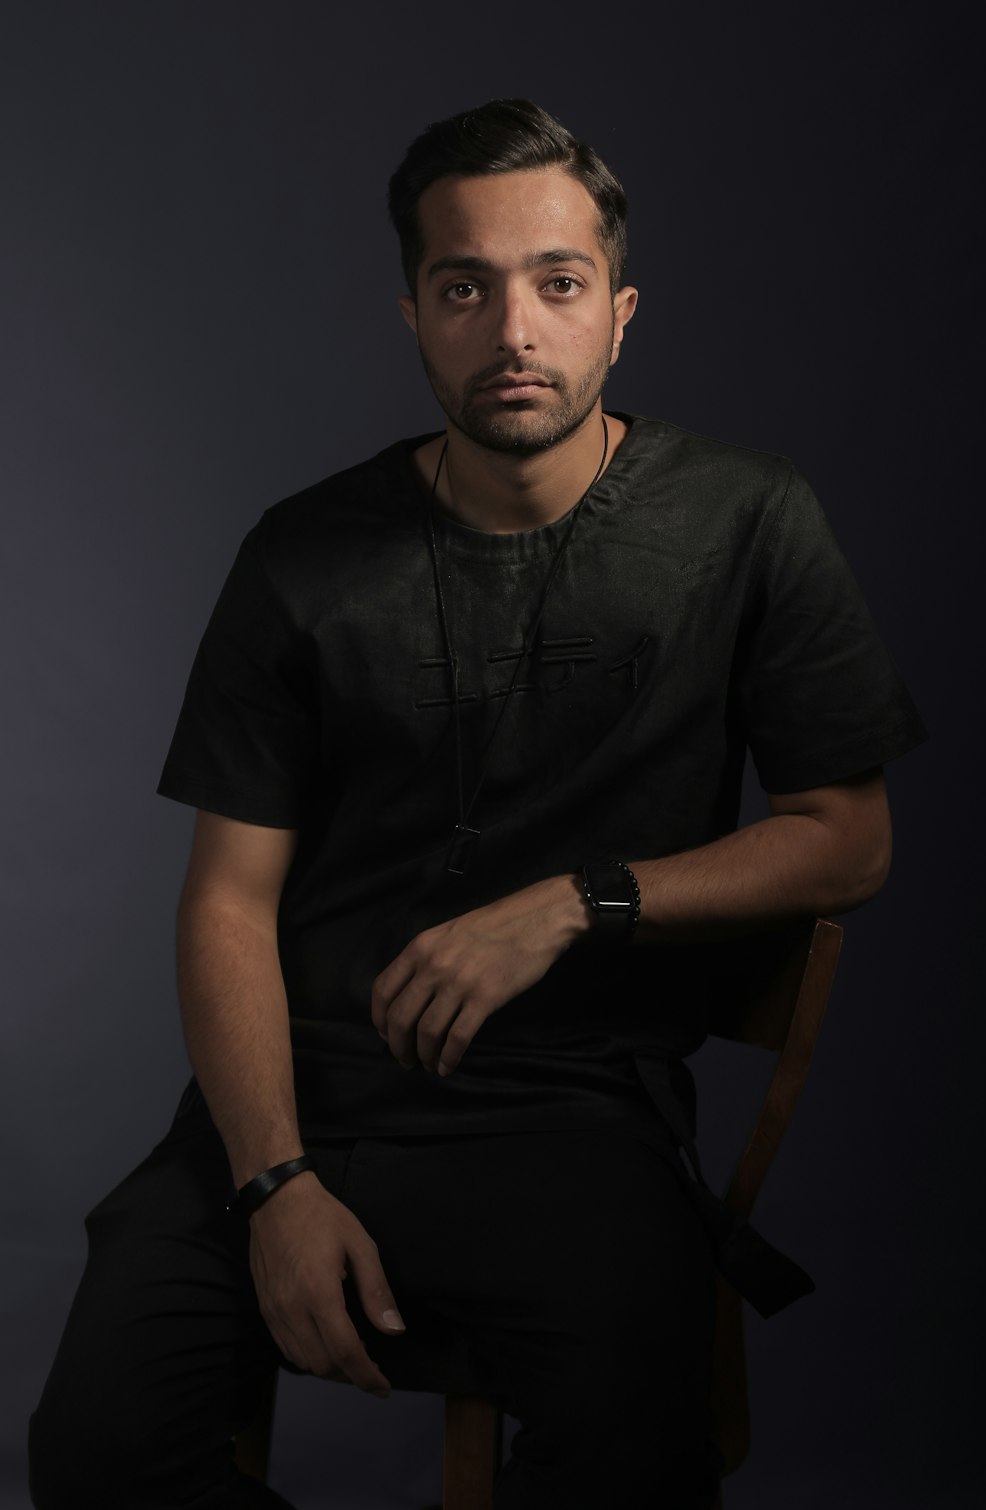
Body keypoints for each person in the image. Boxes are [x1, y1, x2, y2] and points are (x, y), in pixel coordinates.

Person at [29, 99, 926, 1509]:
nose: (515, 329)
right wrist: (273, 1183)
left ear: (619, 313)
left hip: (571, 1112)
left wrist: (580, 901)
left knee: (637, 1453)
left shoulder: (747, 518)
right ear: (415, 314)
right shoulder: (303, 553)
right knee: (98, 1452)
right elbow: (226, 900)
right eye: (467, 287)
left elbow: (850, 838)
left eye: (557, 284)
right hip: (298, 1097)